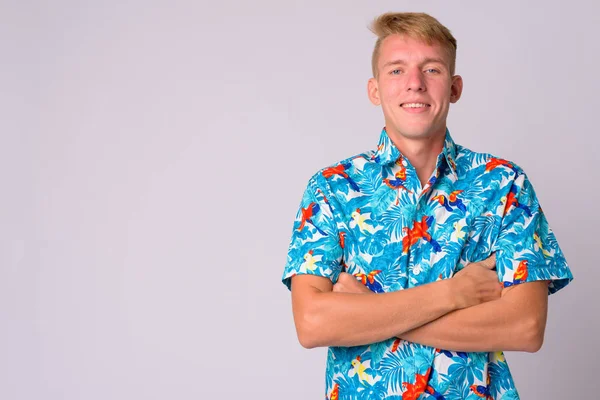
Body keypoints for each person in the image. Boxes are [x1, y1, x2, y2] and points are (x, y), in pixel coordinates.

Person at [281, 11, 573, 399]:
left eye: (431, 70)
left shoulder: (504, 185)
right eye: (397, 71)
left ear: (454, 88)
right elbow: (313, 323)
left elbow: (526, 328)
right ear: (375, 90)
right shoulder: (330, 190)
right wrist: (453, 294)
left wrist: (368, 311)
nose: (415, 84)